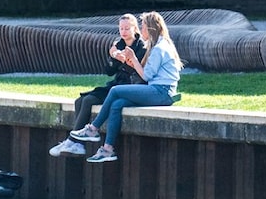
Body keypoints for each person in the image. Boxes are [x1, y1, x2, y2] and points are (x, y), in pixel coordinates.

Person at [70, 11, 181, 163]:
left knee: (115, 90)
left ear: (151, 29)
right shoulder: (157, 45)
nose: (141, 31)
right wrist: (128, 60)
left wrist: (133, 59)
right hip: (158, 90)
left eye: (143, 27)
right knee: (117, 104)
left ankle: (93, 129)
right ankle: (108, 150)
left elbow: (146, 76)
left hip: (161, 91)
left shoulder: (159, 48)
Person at [49, 14, 148, 157]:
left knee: (89, 100)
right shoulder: (118, 45)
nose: (124, 31)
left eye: (127, 28)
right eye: (121, 28)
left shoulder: (141, 47)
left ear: (135, 29)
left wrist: (127, 60)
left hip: (129, 85)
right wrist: (114, 58)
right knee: (80, 100)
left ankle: (72, 141)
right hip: (115, 83)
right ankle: (77, 143)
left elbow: (139, 73)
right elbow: (108, 71)